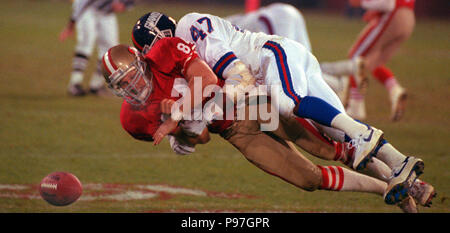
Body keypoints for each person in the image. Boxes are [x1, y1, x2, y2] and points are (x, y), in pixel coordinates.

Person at [131, 11, 425, 205]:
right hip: (236, 128)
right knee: (309, 177)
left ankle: (382, 155)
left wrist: (194, 112)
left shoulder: (189, 32)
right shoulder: (163, 80)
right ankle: (396, 182)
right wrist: (181, 131)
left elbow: (239, 75)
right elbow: (201, 136)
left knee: (329, 143)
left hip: (258, 94)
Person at [321, 0, 414, 121]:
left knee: (357, 57)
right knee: (372, 62)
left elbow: (389, 4)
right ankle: (394, 89)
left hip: (393, 15)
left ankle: (355, 104)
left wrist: (362, 3)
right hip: (409, 18)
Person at [59, 0, 134, 96]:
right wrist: (72, 23)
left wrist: (124, 6)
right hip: (88, 9)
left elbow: (129, 3)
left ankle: (96, 85)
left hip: (106, 12)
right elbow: (82, 2)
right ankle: (75, 83)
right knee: (86, 43)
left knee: (110, 49)